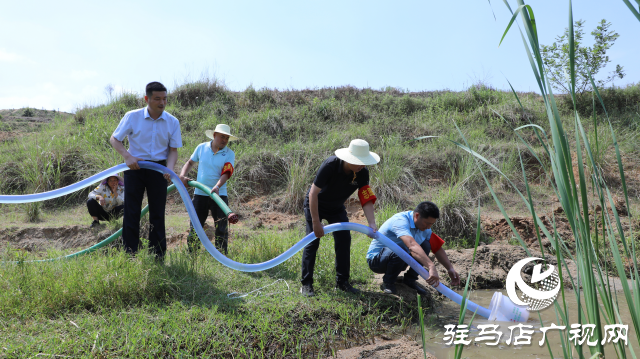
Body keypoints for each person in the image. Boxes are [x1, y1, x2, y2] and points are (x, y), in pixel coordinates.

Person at [109, 81, 182, 260]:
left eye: (164, 99)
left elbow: (173, 151)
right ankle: (130, 254)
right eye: (157, 99)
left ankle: (157, 256)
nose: (162, 103)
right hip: (135, 168)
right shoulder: (132, 117)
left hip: (159, 170)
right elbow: (115, 139)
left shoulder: (172, 121)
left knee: (157, 213)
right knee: (131, 212)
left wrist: (170, 169)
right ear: (146, 99)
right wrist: (127, 156)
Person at [300, 139, 380, 297]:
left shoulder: (362, 173)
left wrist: (371, 222)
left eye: (364, 162)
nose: (362, 165)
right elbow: (313, 193)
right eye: (359, 162)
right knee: (312, 241)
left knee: (344, 239)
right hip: (316, 205)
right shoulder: (330, 165)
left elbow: (365, 198)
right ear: (348, 159)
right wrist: (316, 222)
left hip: (336, 208)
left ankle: (342, 282)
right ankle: (306, 284)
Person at [366, 201, 461, 295]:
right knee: (400, 249)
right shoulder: (400, 221)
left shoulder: (425, 228)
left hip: (400, 259)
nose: (428, 227)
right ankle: (388, 282)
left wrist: (450, 268)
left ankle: (409, 280)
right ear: (417, 215)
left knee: (426, 245)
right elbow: (411, 245)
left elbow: (437, 248)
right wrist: (431, 266)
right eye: (427, 223)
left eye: (431, 224)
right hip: (377, 261)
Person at [179, 124, 239, 254]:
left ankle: (222, 257)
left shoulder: (229, 154)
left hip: (219, 195)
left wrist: (217, 186)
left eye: (227, 138)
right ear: (214, 135)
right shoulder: (201, 148)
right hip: (200, 194)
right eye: (222, 137)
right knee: (195, 227)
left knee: (221, 228)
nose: (224, 140)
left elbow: (226, 173)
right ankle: (192, 256)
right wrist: (182, 175)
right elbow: (190, 162)